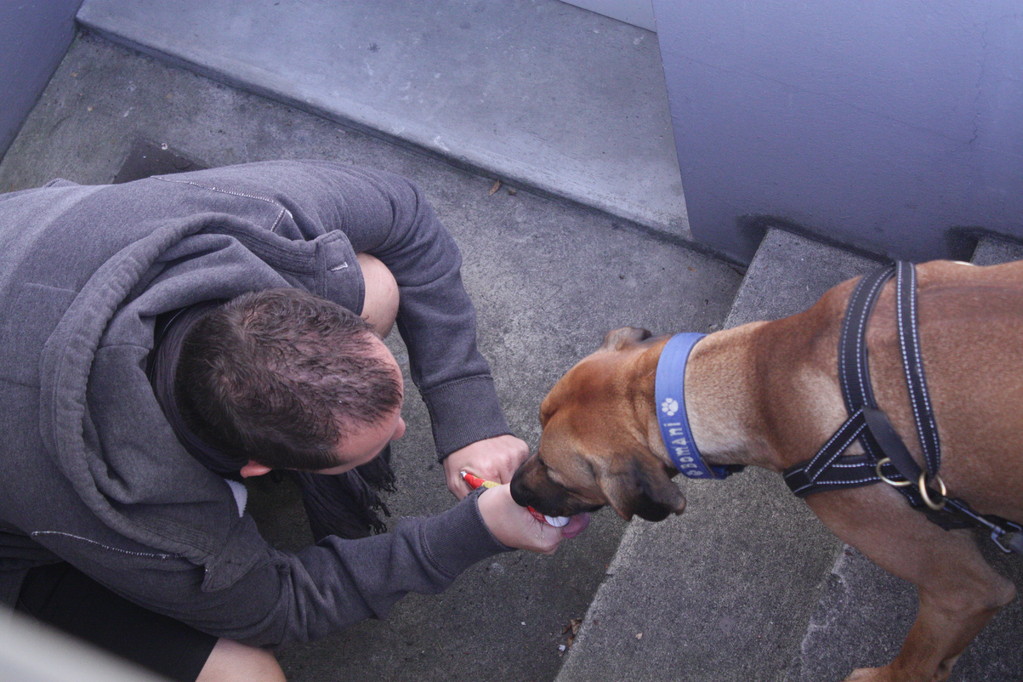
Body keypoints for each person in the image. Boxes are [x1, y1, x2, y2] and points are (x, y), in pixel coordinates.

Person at [0, 160, 587, 681]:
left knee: (377, 287)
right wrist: (474, 532)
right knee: (248, 675)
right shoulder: (148, 523)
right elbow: (279, 606)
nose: (405, 429)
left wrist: (467, 415)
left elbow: (404, 212)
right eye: (375, 443)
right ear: (255, 467)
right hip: (25, 521)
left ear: (281, 305)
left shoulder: (248, 215)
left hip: (35, 257)